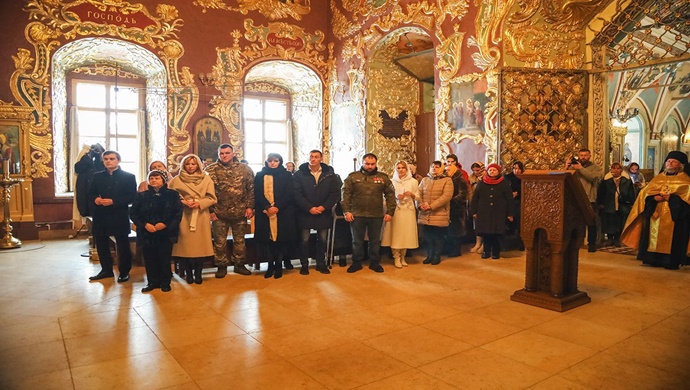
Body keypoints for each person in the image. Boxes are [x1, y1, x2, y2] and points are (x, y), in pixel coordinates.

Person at [621, 151, 690, 269]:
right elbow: (645, 195)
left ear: (681, 165)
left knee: (674, 240)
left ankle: (670, 261)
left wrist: (672, 199)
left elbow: (687, 203)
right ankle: (652, 258)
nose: (669, 163)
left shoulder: (686, 180)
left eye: (673, 162)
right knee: (653, 238)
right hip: (656, 215)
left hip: (674, 219)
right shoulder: (658, 178)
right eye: (668, 161)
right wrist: (653, 198)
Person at [205, 144, 255, 277]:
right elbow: (206, 193)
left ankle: (239, 264)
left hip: (240, 211)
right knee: (219, 242)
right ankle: (221, 266)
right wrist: (210, 211)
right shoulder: (210, 170)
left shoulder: (245, 169)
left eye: (227, 153)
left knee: (240, 241)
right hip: (219, 212)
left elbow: (251, 189)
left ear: (233, 154)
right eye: (221, 153)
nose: (224, 155)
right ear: (218, 154)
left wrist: (250, 207)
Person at [341, 153, 396, 273]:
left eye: (372, 164)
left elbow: (391, 195)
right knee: (357, 241)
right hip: (356, 214)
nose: (370, 166)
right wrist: (346, 211)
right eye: (367, 164)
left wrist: (390, 211)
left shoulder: (383, 178)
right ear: (362, 163)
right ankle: (356, 263)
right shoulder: (352, 177)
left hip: (376, 215)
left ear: (376, 164)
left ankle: (374, 263)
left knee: (375, 241)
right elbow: (345, 195)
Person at [87, 150, 137, 282]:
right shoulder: (97, 176)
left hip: (118, 214)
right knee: (101, 243)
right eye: (106, 159)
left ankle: (124, 271)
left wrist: (114, 201)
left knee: (122, 244)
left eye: (112, 159)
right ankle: (106, 270)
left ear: (118, 160)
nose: (108, 161)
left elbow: (131, 197)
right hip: (101, 214)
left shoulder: (129, 177)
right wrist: (96, 200)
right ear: (103, 161)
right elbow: (91, 194)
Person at [130, 170, 183, 292]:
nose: (154, 180)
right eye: (152, 178)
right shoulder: (142, 196)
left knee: (164, 258)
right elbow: (133, 214)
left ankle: (165, 282)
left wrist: (165, 224)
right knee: (149, 258)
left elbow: (177, 213)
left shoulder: (172, 195)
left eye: (157, 178)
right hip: (147, 232)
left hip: (166, 233)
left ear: (163, 180)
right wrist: (145, 224)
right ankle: (152, 282)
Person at [168, 154, 217, 284]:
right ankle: (188, 273)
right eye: (188, 164)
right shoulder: (176, 180)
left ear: (198, 165)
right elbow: (170, 197)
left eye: (193, 164)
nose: (190, 166)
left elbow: (212, 198)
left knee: (199, 247)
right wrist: (182, 201)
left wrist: (200, 203)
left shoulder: (206, 179)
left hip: (200, 215)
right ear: (183, 165)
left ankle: (198, 273)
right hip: (184, 215)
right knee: (186, 247)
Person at [293, 150, 342, 275]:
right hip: (305, 212)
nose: (313, 159)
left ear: (321, 159)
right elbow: (296, 194)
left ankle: (321, 263)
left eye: (316, 157)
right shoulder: (299, 174)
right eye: (311, 157)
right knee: (304, 240)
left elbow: (335, 194)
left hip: (323, 212)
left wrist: (324, 207)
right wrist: (309, 208)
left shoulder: (329, 174)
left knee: (323, 239)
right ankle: (304, 264)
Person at [254, 153, 297, 279]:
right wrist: (267, 207)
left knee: (280, 240)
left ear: (280, 162)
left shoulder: (286, 175)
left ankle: (279, 265)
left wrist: (277, 207)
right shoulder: (260, 175)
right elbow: (257, 193)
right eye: (270, 161)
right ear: (266, 162)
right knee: (268, 241)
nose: (272, 163)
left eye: (275, 161)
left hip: (282, 212)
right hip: (265, 213)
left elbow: (289, 193)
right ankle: (270, 265)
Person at [381, 160, 420, 268]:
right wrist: (396, 197)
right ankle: (396, 257)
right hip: (397, 211)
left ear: (407, 169)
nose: (401, 170)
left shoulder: (413, 182)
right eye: (398, 168)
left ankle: (403, 257)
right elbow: (385, 198)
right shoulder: (391, 182)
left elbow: (418, 197)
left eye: (403, 168)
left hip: (408, 211)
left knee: (405, 234)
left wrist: (412, 194)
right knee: (396, 234)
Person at [471, 163, 513, 260]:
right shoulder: (482, 182)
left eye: (494, 170)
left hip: (499, 212)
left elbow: (509, 199)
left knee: (496, 234)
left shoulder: (504, 183)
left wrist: (510, 213)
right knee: (486, 233)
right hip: (484, 212)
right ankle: (486, 251)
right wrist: (474, 211)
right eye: (490, 170)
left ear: (498, 171)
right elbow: (475, 198)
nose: (492, 172)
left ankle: (495, 252)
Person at [565, 148, 604, 252]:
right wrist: (567, 167)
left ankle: (592, 245)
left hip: (589, 198)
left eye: (585, 155)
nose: (583, 157)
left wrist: (581, 168)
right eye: (581, 155)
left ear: (590, 156)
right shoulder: (573, 167)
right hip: (575, 198)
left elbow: (594, 178)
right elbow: (564, 177)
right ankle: (574, 242)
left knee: (591, 222)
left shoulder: (596, 167)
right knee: (574, 221)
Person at [417, 161, 453, 265]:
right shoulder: (425, 180)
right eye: (432, 167)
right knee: (427, 237)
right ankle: (429, 255)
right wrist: (420, 205)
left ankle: (436, 256)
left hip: (439, 213)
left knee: (438, 236)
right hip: (425, 213)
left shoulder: (447, 180)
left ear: (441, 169)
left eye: (437, 167)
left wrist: (431, 206)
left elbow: (446, 196)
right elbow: (419, 194)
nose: (434, 169)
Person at [597, 162, 635, 247]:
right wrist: (601, 203)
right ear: (611, 170)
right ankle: (610, 238)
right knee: (609, 221)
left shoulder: (626, 180)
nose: (616, 170)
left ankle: (617, 238)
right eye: (614, 168)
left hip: (622, 204)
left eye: (618, 168)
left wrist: (631, 203)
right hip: (609, 204)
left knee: (620, 221)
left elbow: (631, 192)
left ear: (621, 170)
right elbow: (601, 192)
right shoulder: (606, 180)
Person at [444, 154, 469, 257]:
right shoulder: (444, 179)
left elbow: (463, 194)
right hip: (446, 207)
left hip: (456, 208)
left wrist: (451, 201)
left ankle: (456, 250)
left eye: (450, 170)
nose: (448, 171)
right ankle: (448, 248)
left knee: (456, 230)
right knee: (447, 230)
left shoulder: (460, 179)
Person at [74, 143, 105, 218]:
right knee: (85, 205)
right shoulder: (85, 160)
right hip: (84, 187)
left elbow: (101, 169)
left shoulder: (101, 163)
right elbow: (77, 169)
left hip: (97, 191)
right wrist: (88, 158)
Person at [504, 161, 525, 251]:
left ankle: (520, 244)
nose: (516, 171)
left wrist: (518, 193)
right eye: (515, 168)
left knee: (520, 223)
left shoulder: (524, 178)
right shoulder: (508, 178)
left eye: (518, 169)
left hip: (520, 203)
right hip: (508, 203)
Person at [468, 161, 486, 253]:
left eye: (478, 170)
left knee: (485, 225)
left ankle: (484, 244)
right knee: (476, 225)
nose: (476, 172)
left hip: (485, 204)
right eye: (474, 170)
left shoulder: (486, 178)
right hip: (475, 203)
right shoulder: (471, 178)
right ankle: (478, 243)